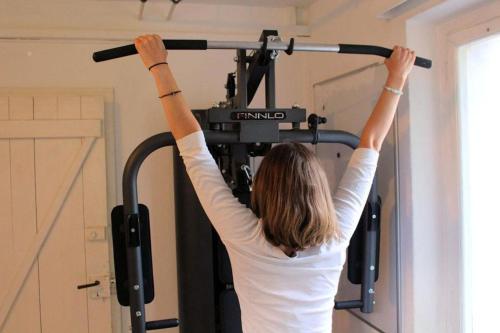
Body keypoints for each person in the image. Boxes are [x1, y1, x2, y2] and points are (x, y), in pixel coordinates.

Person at [134, 34, 415, 333]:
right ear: (318, 190)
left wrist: (158, 65)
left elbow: (193, 148)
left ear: (263, 191)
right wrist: (397, 76)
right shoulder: (336, 235)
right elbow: (371, 144)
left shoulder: (245, 235)